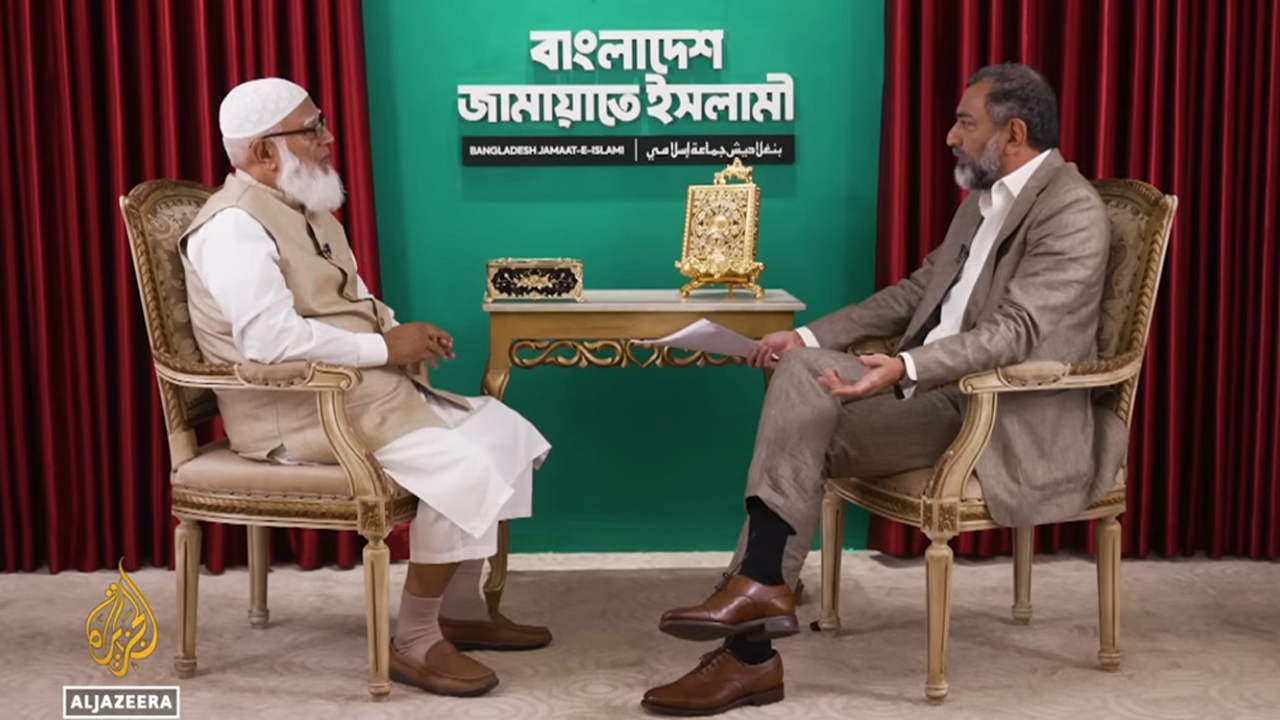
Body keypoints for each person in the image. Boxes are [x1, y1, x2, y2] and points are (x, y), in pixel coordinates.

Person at [640, 63, 1127, 716]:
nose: (951, 136)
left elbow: (1015, 333)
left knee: (802, 417)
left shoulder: (1071, 210)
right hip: (938, 398)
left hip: (1003, 415)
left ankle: (750, 638)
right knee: (798, 383)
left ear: (1013, 134)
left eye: (965, 122)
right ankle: (757, 611)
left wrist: (905, 367)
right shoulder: (982, 201)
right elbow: (915, 292)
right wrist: (806, 337)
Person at [181, 77, 552, 698]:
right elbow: (269, 342)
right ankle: (415, 640)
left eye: (322, 123)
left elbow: (349, 299)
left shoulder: (305, 209)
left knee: (503, 433)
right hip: (296, 411)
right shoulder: (232, 228)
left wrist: (401, 333)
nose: (328, 138)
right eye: (313, 129)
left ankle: (461, 609)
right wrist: (386, 349)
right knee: (461, 464)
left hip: (359, 391)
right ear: (264, 151)